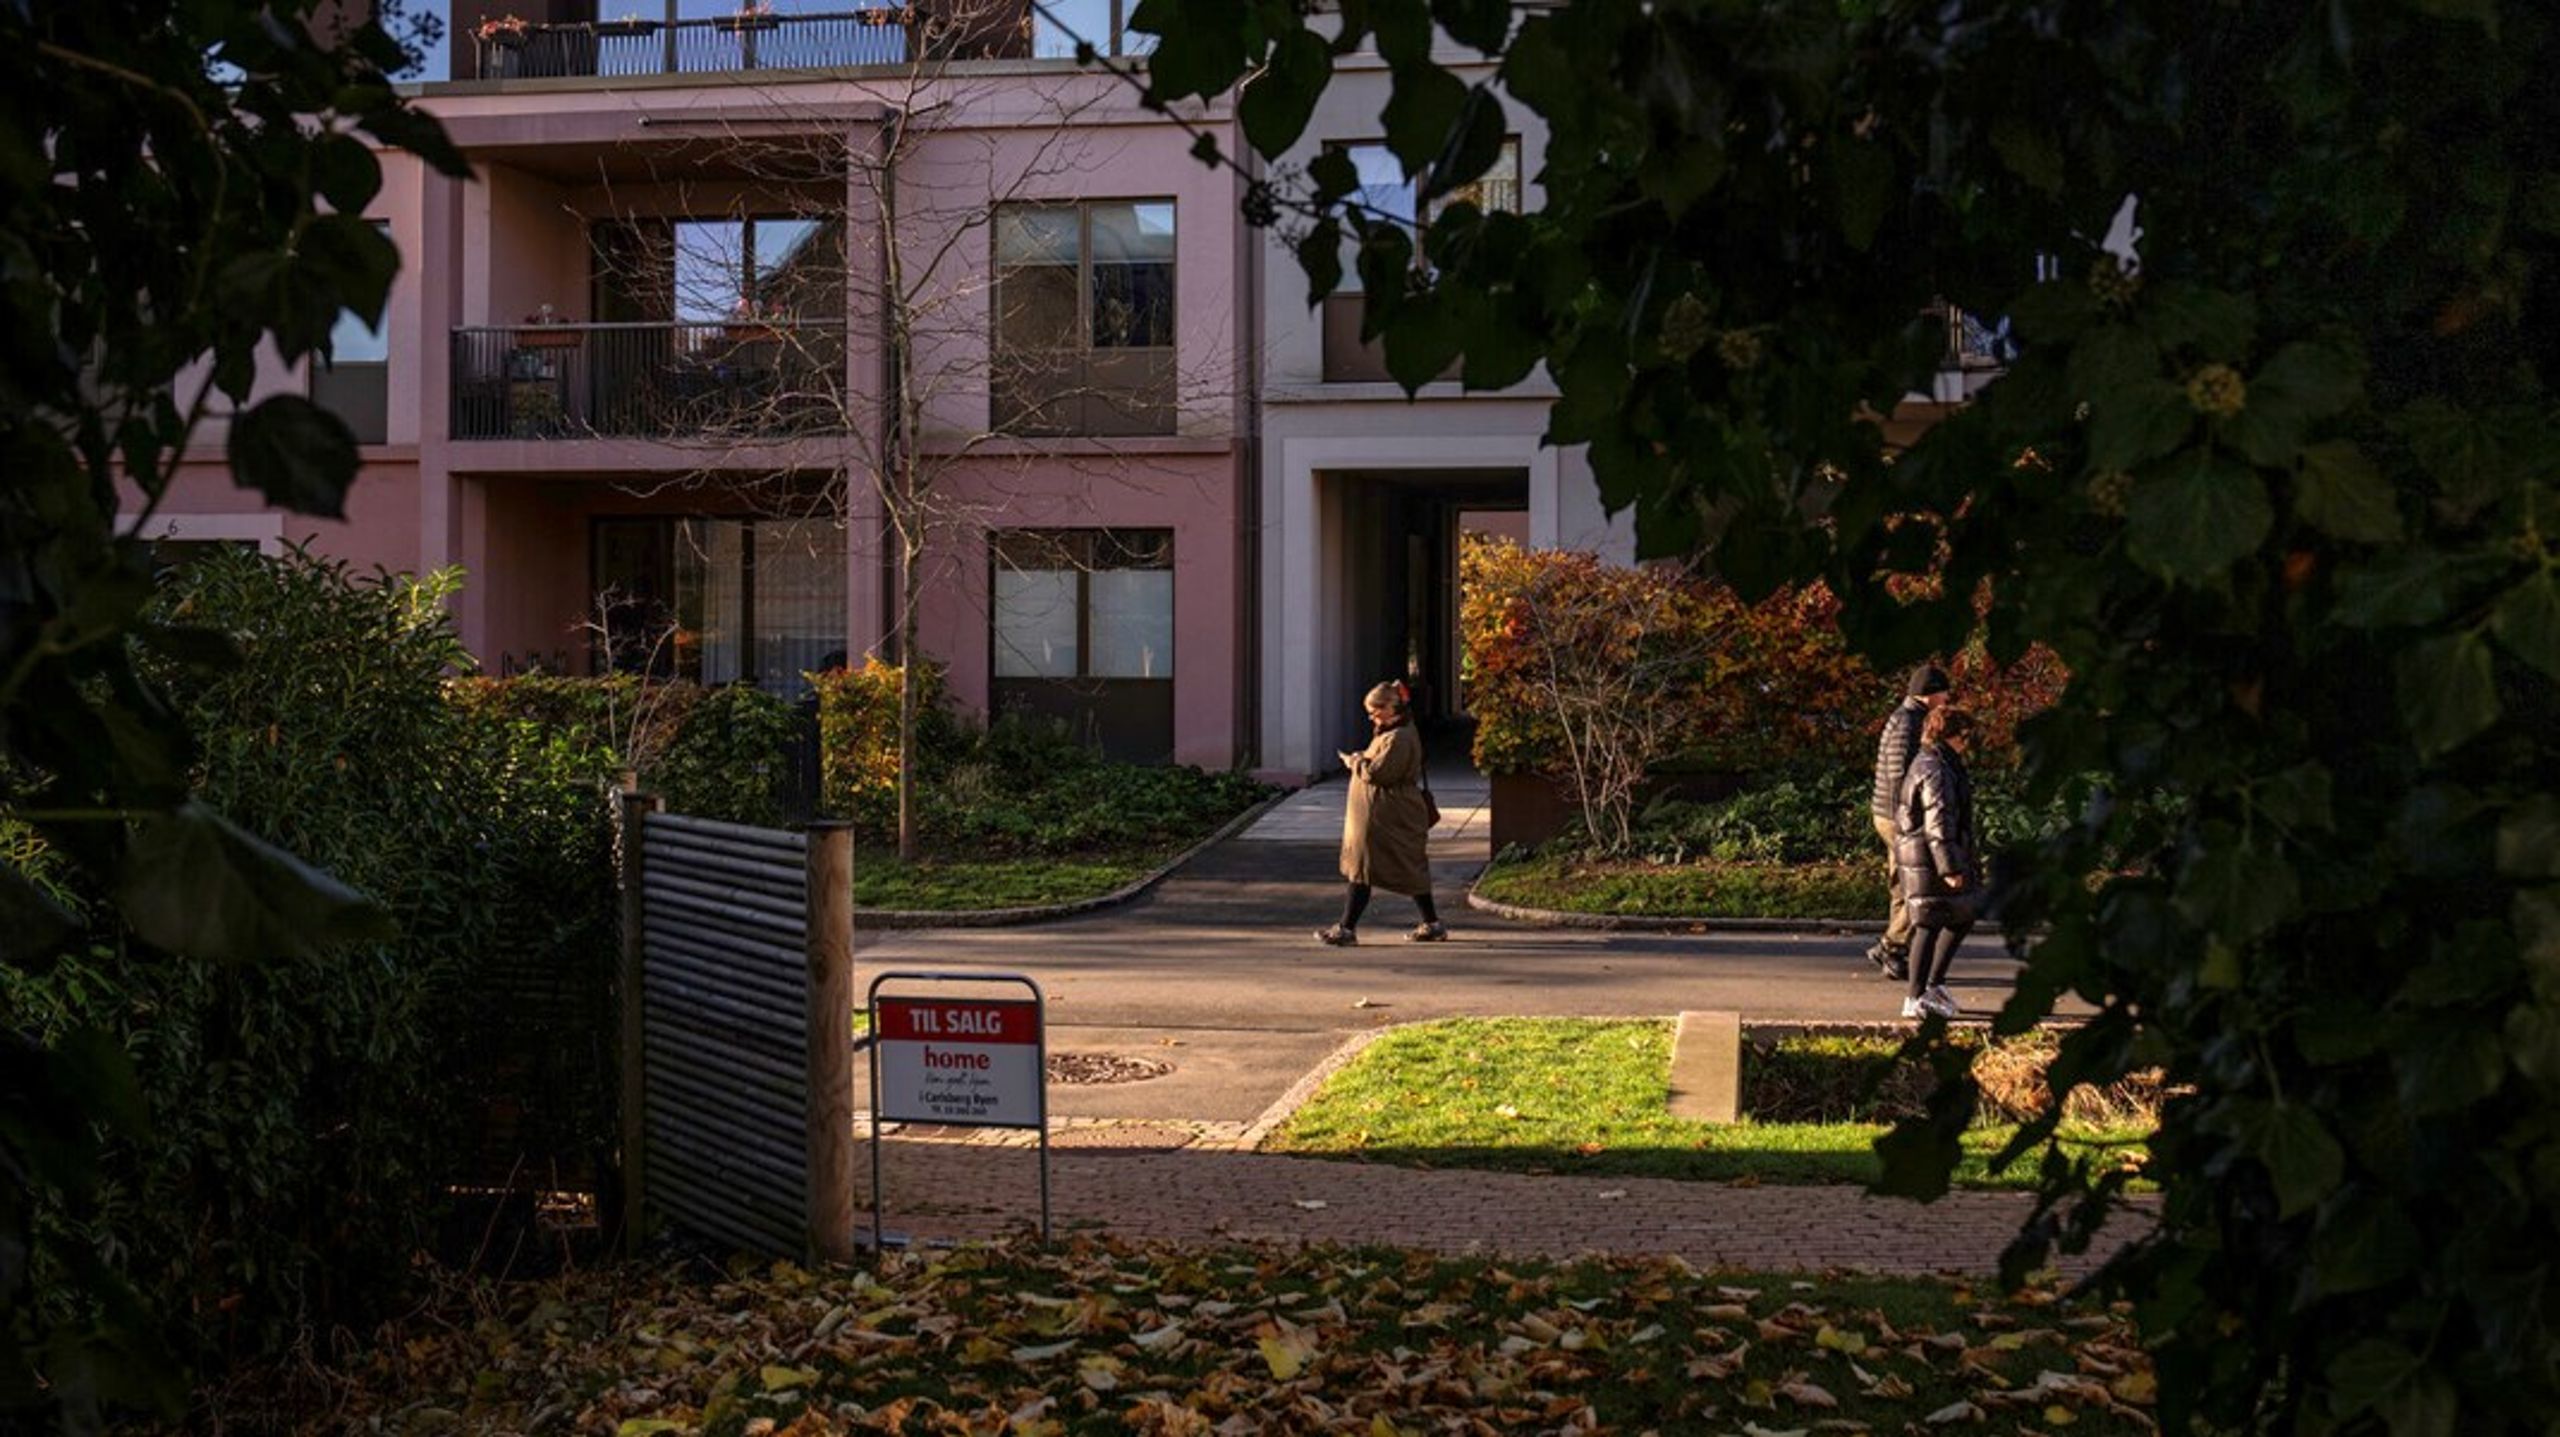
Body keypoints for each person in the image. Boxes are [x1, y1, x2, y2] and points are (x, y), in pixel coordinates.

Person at [1315, 680, 1446, 945]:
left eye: (1375, 711)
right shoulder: (1391, 731)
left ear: (1391, 707)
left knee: (1367, 868)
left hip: (1386, 816)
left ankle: (1346, 928)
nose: (1371, 717)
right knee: (1402, 867)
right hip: (1383, 814)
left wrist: (1356, 761)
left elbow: (1380, 773)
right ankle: (1432, 923)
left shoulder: (1398, 737)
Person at [1893, 705, 1981, 1019]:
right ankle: (1916, 996)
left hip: (1925, 854)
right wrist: (1950, 867)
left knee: (1961, 914)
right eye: (1965, 736)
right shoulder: (1936, 768)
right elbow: (1938, 822)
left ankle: (1932, 985)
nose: (1967, 743)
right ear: (1950, 735)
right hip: (1929, 857)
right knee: (1930, 923)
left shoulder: (1934, 761)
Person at [1866, 662, 1953, 980]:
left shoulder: (1903, 716)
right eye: (1944, 692)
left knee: (1902, 885)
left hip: (1889, 813)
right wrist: (1913, 816)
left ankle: (1897, 953)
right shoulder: (1910, 722)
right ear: (1929, 694)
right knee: (1920, 884)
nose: (1947, 698)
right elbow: (1902, 774)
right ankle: (1891, 945)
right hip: (1897, 815)